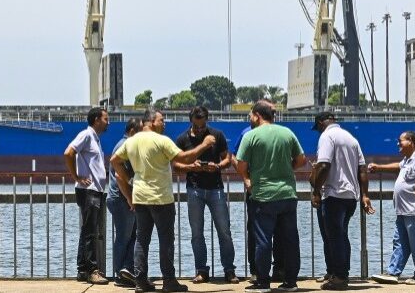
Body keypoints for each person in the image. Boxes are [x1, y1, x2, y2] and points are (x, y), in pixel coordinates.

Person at [110, 110, 216, 293]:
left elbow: (114, 161)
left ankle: (141, 282)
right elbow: (184, 158)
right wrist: (205, 145)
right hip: (161, 198)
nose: (165, 123)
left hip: (140, 197)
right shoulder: (162, 140)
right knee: (166, 241)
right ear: (151, 121)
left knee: (142, 241)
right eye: (162, 120)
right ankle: (169, 281)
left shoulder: (131, 141)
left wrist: (128, 185)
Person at [236, 100, 306, 293]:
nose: (250, 118)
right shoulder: (287, 133)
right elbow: (301, 160)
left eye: (251, 115)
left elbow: (241, 165)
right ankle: (290, 282)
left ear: (258, 115)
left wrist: (247, 179)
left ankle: (263, 282)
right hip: (287, 195)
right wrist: (286, 169)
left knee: (263, 240)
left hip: (263, 196)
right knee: (291, 239)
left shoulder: (251, 136)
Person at [173, 106, 239, 284]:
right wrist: (191, 167)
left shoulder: (217, 135)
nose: (201, 129)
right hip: (194, 189)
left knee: (224, 231)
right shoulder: (182, 139)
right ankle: (201, 270)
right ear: (191, 121)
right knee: (196, 233)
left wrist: (217, 166)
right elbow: (175, 165)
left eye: (203, 126)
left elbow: (227, 158)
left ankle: (229, 270)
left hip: (216, 188)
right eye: (197, 126)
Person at [309, 111, 374, 291]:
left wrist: (315, 191)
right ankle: (336, 272)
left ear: (321, 123)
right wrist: (364, 195)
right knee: (340, 236)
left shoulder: (327, 137)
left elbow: (324, 165)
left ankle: (339, 277)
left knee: (334, 237)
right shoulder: (351, 138)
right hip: (350, 197)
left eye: (318, 128)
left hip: (333, 194)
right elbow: (362, 169)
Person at [369, 131, 415, 285]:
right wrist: (379, 167)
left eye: (400, 141)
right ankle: (393, 273)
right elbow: (398, 167)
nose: (398, 144)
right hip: (404, 210)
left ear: (410, 141)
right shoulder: (408, 159)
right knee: (400, 241)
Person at [231, 120, 285, 283]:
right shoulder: (247, 133)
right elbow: (235, 157)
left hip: (276, 190)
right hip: (256, 190)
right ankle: (257, 271)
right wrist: (246, 178)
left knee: (279, 231)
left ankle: (279, 269)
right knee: (256, 231)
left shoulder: (280, 132)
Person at [63, 107, 110, 284]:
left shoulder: (95, 139)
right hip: (89, 191)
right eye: (106, 118)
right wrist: (76, 177)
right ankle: (92, 271)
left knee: (87, 231)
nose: (108, 122)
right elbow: (68, 152)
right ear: (97, 119)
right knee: (90, 232)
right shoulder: (86, 135)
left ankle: (83, 269)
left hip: (94, 190)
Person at [107, 117, 142, 287]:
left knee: (132, 236)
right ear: (133, 131)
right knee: (124, 237)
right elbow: (120, 176)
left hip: (123, 198)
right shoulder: (125, 146)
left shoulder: (123, 144)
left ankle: (126, 271)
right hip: (122, 199)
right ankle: (120, 273)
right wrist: (130, 199)